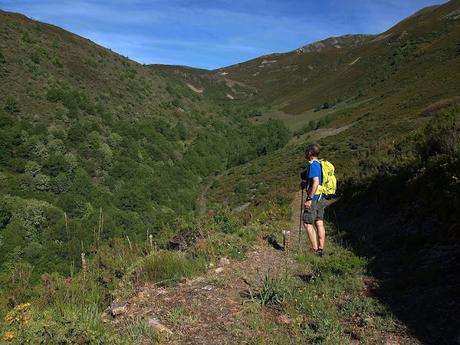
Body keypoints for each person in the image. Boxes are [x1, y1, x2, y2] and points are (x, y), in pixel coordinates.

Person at [301, 144, 328, 257]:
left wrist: (310, 199)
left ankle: (315, 250)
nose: (306, 153)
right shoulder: (320, 164)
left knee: (307, 223)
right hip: (321, 197)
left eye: (307, 151)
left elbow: (316, 182)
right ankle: (321, 249)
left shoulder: (313, 165)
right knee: (319, 222)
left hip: (314, 198)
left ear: (310, 153)